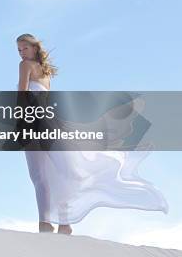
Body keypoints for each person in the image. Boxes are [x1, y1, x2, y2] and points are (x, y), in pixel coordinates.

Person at [16, 33, 168, 235]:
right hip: (49, 121)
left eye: (24, 48)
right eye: (19, 50)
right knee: (61, 173)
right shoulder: (46, 72)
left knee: (39, 175)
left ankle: (45, 223)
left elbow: (22, 95)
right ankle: (64, 223)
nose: (21, 53)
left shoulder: (25, 66)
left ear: (35, 48)